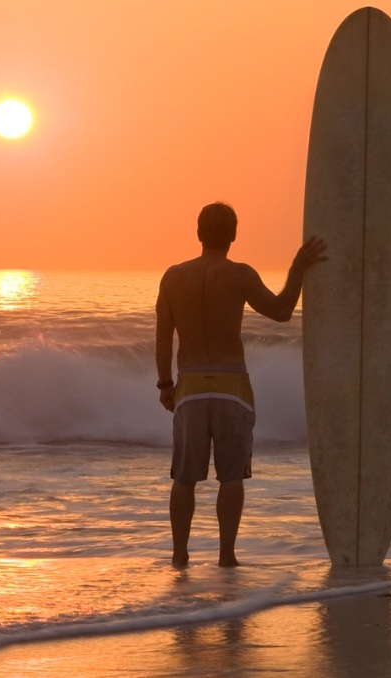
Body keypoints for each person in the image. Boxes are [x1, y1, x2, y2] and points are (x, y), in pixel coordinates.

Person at [155, 202, 326, 567]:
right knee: (231, 477)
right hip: (232, 388)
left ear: (198, 233)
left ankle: (179, 555)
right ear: (233, 235)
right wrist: (297, 268)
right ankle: (226, 556)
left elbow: (162, 338)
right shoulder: (240, 275)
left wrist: (165, 385)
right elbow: (282, 312)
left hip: (190, 389)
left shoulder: (173, 277)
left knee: (184, 478)